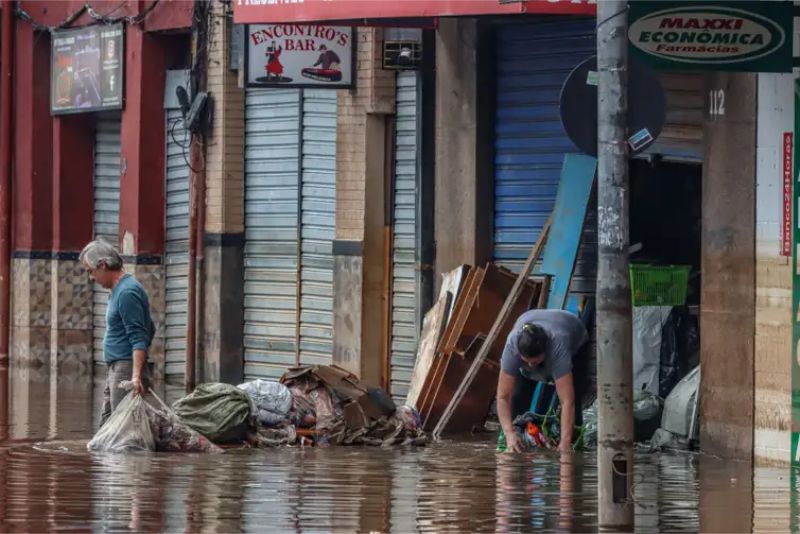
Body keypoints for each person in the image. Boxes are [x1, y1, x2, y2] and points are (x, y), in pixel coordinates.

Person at [80, 239, 155, 425]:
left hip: (125, 369)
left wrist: (136, 376)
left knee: (124, 429)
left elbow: (140, 336)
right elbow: (150, 327)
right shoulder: (117, 290)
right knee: (107, 429)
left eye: (91, 271)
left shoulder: (127, 292)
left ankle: (133, 455)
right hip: (117, 367)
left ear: (103, 265)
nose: (91, 278)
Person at [496, 309, 589, 454]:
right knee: (518, 395)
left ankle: (572, 444)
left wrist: (565, 443)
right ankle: (515, 442)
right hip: (530, 321)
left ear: (545, 352)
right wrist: (509, 433)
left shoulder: (558, 347)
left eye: (535, 361)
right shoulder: (512, 347)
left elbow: (567, 401)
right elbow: (502, 397)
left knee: (573, 396)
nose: (531, 365)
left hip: (574, 335)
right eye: (527, 361)